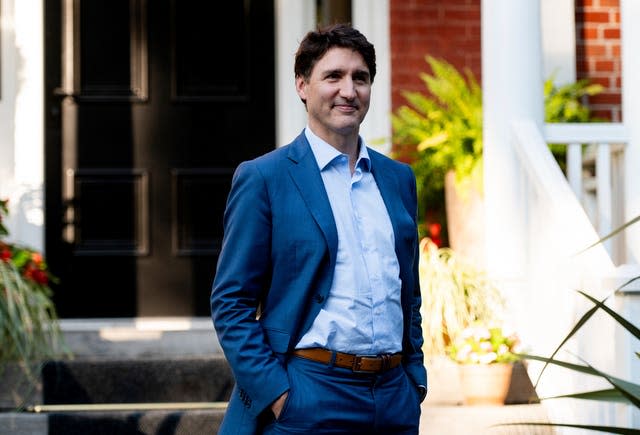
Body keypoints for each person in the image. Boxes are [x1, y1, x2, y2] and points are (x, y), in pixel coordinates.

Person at [211, 23, 427, 435]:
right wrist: (278, 394)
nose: (349, 91)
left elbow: (409, 291)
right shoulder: (265, 178)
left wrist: (414, 376)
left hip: (394, 398)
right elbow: (231, 302)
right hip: (310, 394)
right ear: (302, 85)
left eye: (360, 78)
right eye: (333, 76)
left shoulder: (398, 179)